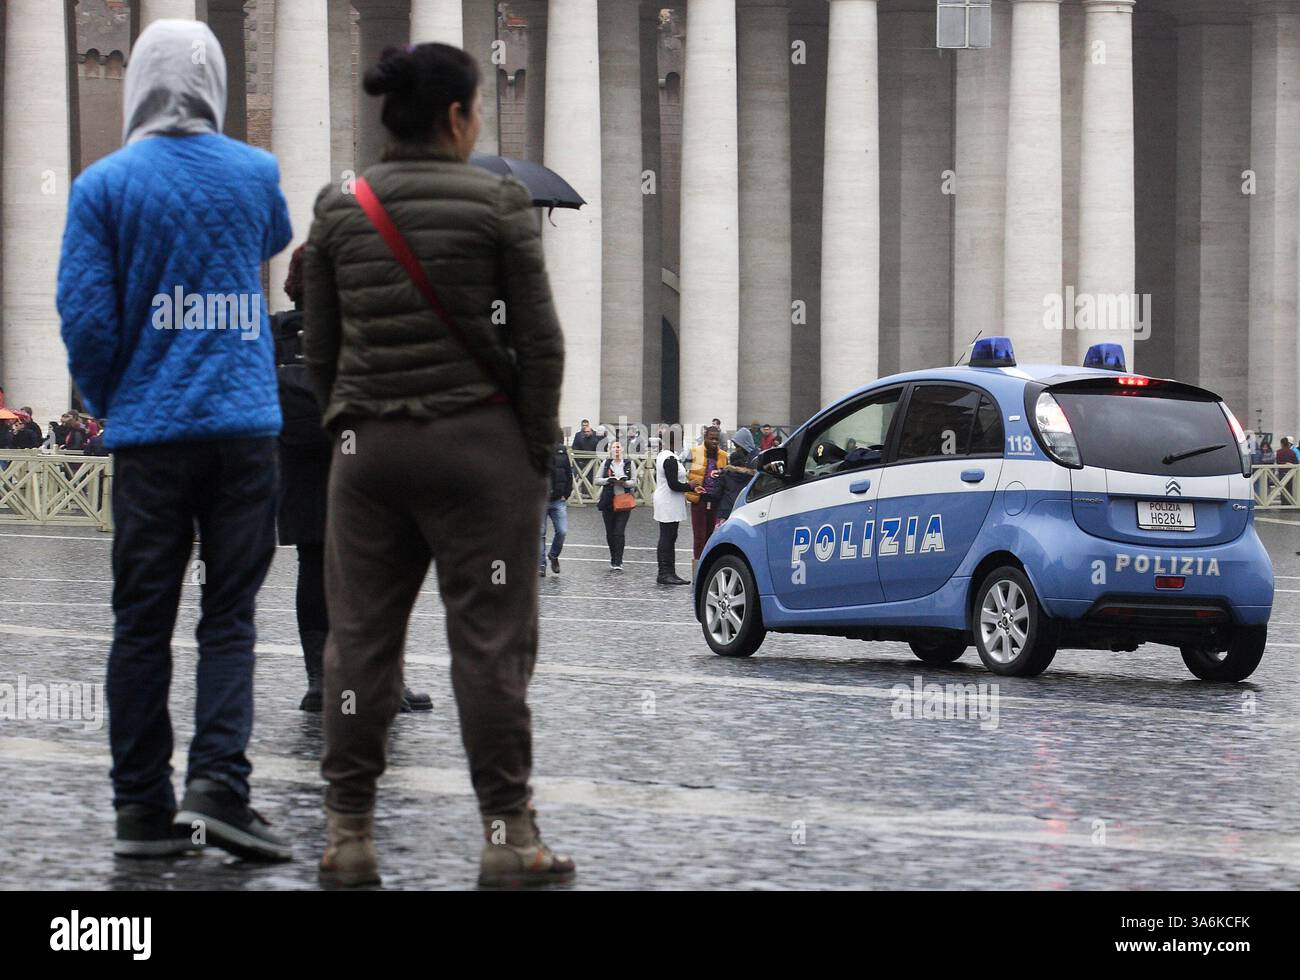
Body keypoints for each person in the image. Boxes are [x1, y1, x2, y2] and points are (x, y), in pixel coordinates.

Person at [304, 42, 572, 888]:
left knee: (359, 646)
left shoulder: (340, 207)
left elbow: (320, 343)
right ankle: (507, 836)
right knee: (490, 651)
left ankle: (349, 834)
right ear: (457, 118)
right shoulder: (497, 203)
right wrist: (531, 451)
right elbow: (542, 343)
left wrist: (346, 419)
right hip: (479, 453)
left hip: (369, 455)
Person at [56, 19, 293, 861]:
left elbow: (83, 317)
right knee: (228, 619)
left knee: (141, 623)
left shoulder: (104, 185)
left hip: (152, 439)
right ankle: (219, 784)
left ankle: (140, 810)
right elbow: (274, 235)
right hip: (243, 432)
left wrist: (121, 393)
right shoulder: (255, 171)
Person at [652, 426, 691, 586]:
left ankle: (670, 572)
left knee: (670, 536)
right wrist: (691, 486)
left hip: (670, 501)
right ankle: (664, 572)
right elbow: (674, 484)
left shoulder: (667, 455)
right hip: (668, 501)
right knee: (667, 537)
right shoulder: (669, 458)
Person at [687, 425, 729, 570]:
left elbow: (725, 476)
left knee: (711, 537)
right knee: (699, 537)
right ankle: (697, 569)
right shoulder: (695, 452)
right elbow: (687, 473)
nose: (714, 441)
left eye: (716, 439)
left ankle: (708, 568)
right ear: (705, 438)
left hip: (715, 500)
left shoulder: (723, 455)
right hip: (699, 499)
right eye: (711, 438)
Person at [594, 439, 638, 570]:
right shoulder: (606, 463)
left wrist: (625, 483)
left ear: (623, 449)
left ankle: (618, 561)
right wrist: (608, 480)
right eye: (614, 447)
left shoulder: (630, 464)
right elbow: (597, 480)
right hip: (608, 501)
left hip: (624, 501)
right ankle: (613, 557)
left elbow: (634, 481)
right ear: (610, 450)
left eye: (618, 447)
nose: (616, 449)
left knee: (619, 532)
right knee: (610, 532)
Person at [540, 441, 572, 577]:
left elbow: (568, 473)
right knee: (540, 534)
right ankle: (541, 565)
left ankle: (553, 555)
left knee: (562, 531)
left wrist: (567, 493)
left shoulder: (561, 450)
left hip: (558, 499)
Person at [715, 427, 758, 525]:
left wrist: (734, 469)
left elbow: (755, 473)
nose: (736, 449)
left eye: (737, 446)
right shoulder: (748, 456)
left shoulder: (755, 457)